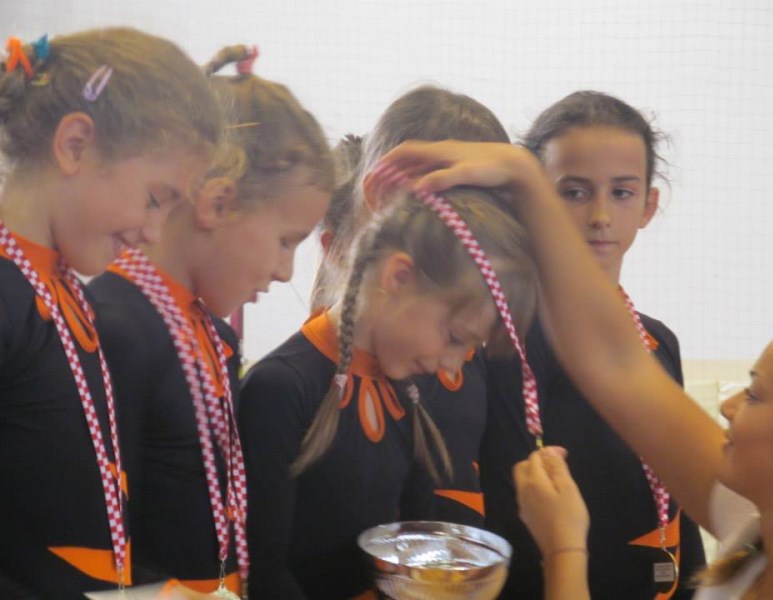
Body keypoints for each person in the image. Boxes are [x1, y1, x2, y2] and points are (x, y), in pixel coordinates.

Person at [375, 138, 773, 600]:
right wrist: (526, 180)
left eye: (755, 395)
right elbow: (617, 364)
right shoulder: (762, 525)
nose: (728, 405)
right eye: (574, 192)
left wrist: (564, 548)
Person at [88, 45, 333, 595]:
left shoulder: (213, 335)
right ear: (217, 203)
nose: (284, 272)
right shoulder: (114, 328)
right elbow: (93, 536)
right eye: (285, 241)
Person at [0, 28, 223, 599]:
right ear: (75, 145)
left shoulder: (64, 294)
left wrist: (158, 591)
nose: (153, 231)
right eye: (155, 198)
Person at [239, 182, 538, 598]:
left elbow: (414, 552)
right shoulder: (281, 389)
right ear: (399, 277)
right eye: (455, 338)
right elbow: (262, 571)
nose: (454, 365)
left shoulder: (406, 390)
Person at [480, 91, 705, 599]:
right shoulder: (495, 343)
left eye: (621, 192)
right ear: (531, 202)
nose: (600, 215)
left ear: (648, 205)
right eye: (575, 192)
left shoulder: (657, 342)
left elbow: (681, 506)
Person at [310, 84, 511, 526]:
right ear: (383, 197)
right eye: (460, 208)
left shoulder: (481, 358)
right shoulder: (309, 375)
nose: (480, 232)